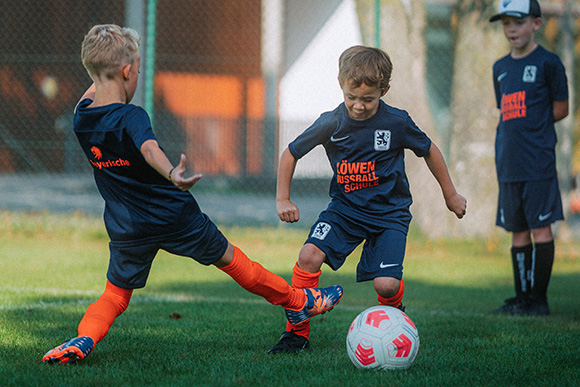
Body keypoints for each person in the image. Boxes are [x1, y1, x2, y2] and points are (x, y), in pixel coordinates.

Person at [42, 24, 343, 364]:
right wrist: (172, 173)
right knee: (235, 262)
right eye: (137, 69)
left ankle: (83, 339)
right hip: (174, 215)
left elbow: (96, 86)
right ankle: (299, 301)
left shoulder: (82, 118)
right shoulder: (131, 116)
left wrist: (99, 62)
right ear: (127, 71)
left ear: (92, 72)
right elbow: (148, 149)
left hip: (127, 225)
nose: (137, 75)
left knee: (115, 294)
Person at [268, 45, 467, 354]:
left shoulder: (397, 122)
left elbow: (429, 150)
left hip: (390, 215)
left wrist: (450, 195)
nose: (358, 106)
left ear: (384, 90)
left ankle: (396, 319)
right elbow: (291, 153)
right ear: (340, 85)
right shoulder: (330, 122)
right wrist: (283, 198)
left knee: (385, 285)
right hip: (344, 212)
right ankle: (296, 335)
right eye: (351, 97)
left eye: (367, 99)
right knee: (308, 256)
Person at [489, 0, 569, 316]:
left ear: (536, 24)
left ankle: (539, 300)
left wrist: (536, 127)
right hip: (509, 162)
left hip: (537, 161)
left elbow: (561, 107)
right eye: (506, 22)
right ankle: (522, 298)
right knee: (518, 230)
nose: (511, 29)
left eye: (518, 22)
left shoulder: (549, 63)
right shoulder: (499, 67)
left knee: (540, 229)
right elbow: (505, 111)